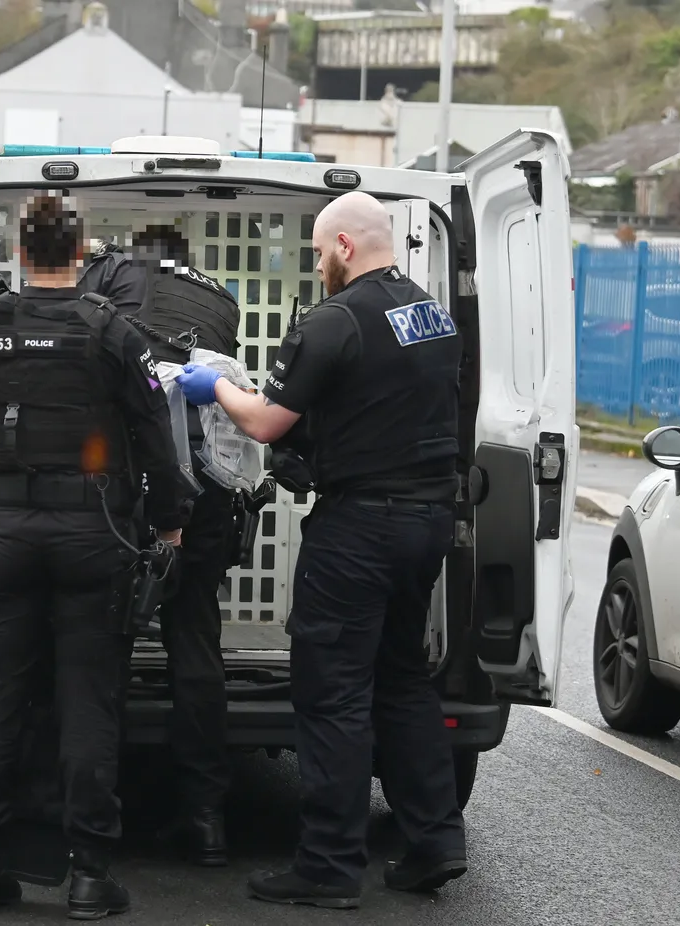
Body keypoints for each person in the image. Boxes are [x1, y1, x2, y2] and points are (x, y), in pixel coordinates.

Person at [176, 191, 467, 907]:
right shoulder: (432, 316)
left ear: (343, 245)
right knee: (400, 679)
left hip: (360, 527)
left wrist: (214, 385)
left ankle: (329, 867)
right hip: (425, 522)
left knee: (331, 693)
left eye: (316, 254)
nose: (316, 269)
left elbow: (269, 423)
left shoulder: (333, 322)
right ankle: (435, 841)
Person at [0, 194, 191, 918]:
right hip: (92, 540)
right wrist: (168, 526)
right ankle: (87, 877)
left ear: (19, 252)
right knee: (89, 703)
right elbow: (155, 437)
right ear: (80, 255)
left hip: (8, 534)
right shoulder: (114, 333)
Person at [80, 225, 240, 866]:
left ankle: (100, 818)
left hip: (133, 483)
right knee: (195, 641)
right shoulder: (220, 297)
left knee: (105, 645)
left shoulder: (112, 275)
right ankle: (207, 819)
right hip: (207, 487)